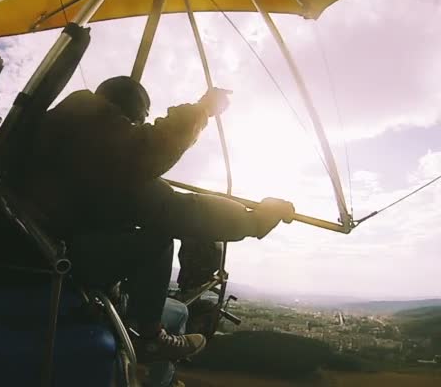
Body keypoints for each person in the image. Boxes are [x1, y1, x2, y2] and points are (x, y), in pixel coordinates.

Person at [17, 75, 295, 363]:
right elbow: (182, 211)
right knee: (158, 240)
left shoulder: (53, 130)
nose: (134, 130)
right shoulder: (105, 159)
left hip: (18, 251)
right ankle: (149, 338)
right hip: (50, 262)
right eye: (135, 125)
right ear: (125, 117)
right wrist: (257, 220)